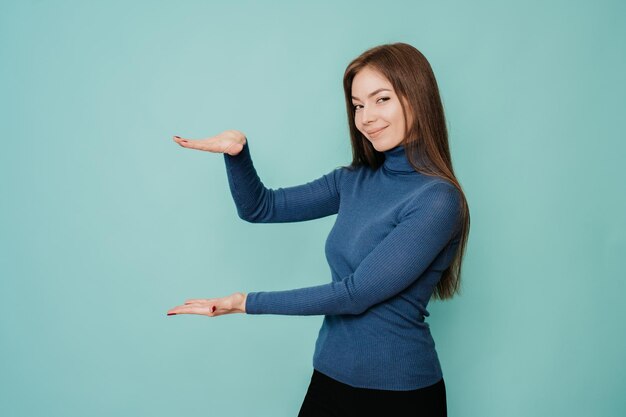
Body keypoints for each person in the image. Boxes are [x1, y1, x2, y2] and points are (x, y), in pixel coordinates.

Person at [166, 42, 470, 417]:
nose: (366, 117)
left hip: (398, 394)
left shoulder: (437, 200)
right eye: (358, 105)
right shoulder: (353, 180)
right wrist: (236, 154)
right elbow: (261, 207)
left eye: (381, 99)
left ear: (417, 98)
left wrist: (245, 302)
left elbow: (355, 294)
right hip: (329, 378)